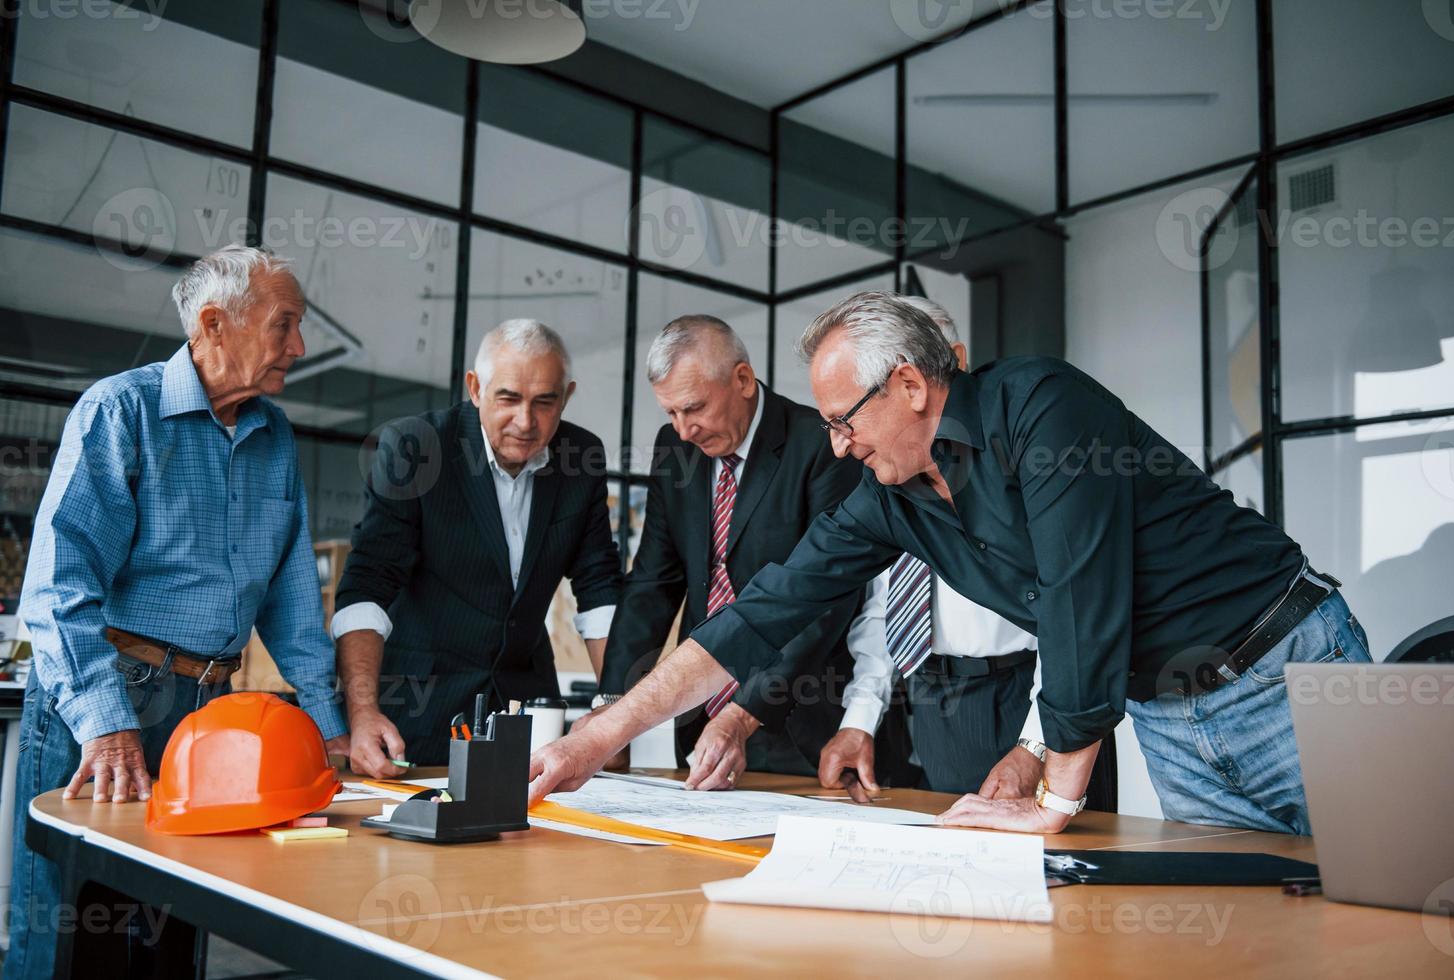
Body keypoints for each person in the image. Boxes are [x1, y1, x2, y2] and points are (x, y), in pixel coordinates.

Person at [530, 290, 1371, 836]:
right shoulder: (888, 493)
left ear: (908, 385)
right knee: (1256, 926)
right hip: (1167, 716)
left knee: (1400, 899)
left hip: (1282, 673)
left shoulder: (1041, 404)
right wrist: (597, 738)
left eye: (843, 418)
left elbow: (1083, 592)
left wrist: (1055, 797)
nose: (837, 443)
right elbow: (766, 610)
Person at [6, 244, 349, 979]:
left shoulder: (275, 435)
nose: (300, 345)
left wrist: (328, 728)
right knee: (69, 937)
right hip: (105, 700)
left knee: (171, 938)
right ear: (215, 323)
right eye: (286, 324)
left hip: (209, 714)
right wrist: (105, 726)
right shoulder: (120, 411)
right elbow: (58, 586)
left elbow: (291, 602)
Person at [590, 315, 907, 788]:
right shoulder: (674, 450)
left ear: (741, 379)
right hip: (701, 725)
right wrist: (611, 709)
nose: (683, 430)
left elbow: (826, 599)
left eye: (694, 408)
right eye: (670, 413)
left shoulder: (819, 444)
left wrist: (744, 714)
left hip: (802, 722)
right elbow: (653, 584)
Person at [333, 319, 621, 774]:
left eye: (545, 402)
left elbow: (600, 584)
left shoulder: (580, 458)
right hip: (416, 713)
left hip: (528, 717)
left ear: (566, 396)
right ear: (475, 388)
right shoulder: (417, 448)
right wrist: (362, 711)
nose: (526, 422)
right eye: (508, 398)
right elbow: (368, 585)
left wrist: (615, 710)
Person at [818, 296, 1046, 798]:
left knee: (1063, 863)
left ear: (951, 364)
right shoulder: (886, 480)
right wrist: (859, 718)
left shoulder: (1019, 458)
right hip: (934, 698)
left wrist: (1039, 742)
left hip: (1030, 691)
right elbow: (887, 608)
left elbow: (1072, 611)